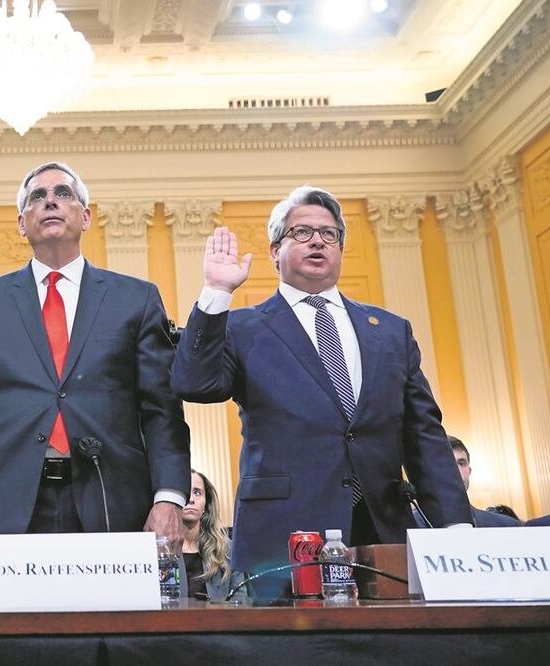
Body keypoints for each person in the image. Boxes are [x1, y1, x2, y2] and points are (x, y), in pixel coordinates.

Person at [0, 162, 191, 583]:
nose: (50, 201)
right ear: (21, 223)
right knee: (12, 628)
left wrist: (169, 497)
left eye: (63, 193)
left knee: (112, 624)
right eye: (37, 196)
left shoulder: (135, 298)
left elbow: (162, 409)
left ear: (86, 217)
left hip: (111, 501)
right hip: (9, 506)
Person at [170, 185, 470, 597]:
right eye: (302, 232)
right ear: (275, 251)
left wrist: (455, 525)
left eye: (329, 234)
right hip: (282, 538)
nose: (317, 241)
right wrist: (217, 292)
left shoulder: (390, 331)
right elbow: (194, 384)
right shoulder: (242, 327)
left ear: (340, 249)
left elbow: (425, 434)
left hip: (382, 531)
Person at [179, 469, 245, 602]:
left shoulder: (227, 550)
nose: (191, 499)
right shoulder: (158, 550)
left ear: (206, 505)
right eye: (184, 492)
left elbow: (240, 600)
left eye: (197, 493)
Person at [444, 437, 520, 527]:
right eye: (448, 463)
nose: (457, 471)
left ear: (469, 471)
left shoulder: (506, 525)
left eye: (461, 463)